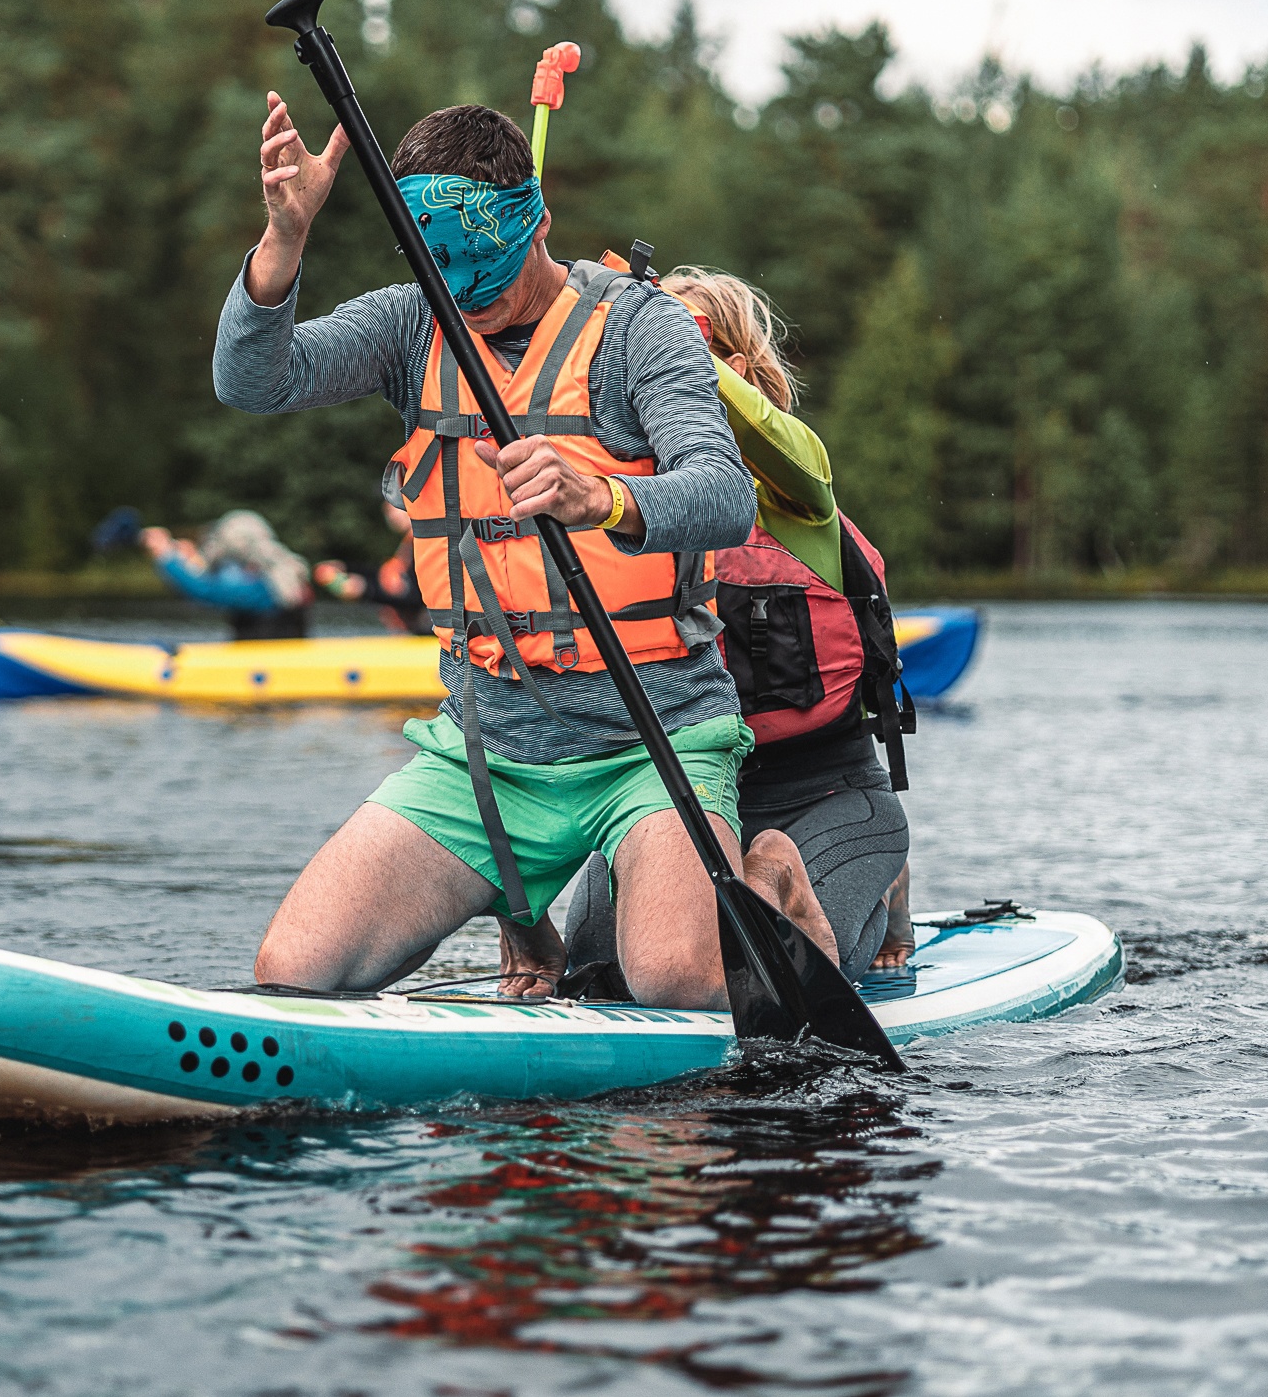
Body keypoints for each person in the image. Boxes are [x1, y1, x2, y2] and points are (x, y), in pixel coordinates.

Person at [220, 92, 831, 1008]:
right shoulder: (413, 321)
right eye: (450, 280)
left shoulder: (640, 327)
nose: (473, 300)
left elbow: (724, 495)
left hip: (651, 741)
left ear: (537, 219)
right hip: (486, 753)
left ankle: (769, 870)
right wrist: (285, 240)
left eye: (491, 276)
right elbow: (253, 381)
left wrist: (606, 495)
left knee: (672, 977)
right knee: (292, 971)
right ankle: (521, 900)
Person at [659, 266, 917, 976]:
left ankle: (886, 878)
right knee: (599, 962)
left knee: (784, 958)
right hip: (696, 797)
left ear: (731, 368)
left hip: (826, 796)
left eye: (668, 344)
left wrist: (679, 364)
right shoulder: (634, 496)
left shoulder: (800, 494)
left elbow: (787, 452)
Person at [140, 510, 316, 641]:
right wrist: (183, 557)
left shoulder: (269, 588)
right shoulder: (281, 572)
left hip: (265, 670)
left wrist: (166, 555)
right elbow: (216, 577)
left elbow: (204, 590)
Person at [312, 473, 424, 633]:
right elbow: (386, 577)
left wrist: (366, 589)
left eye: (393, 503)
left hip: (427, 640)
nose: (387, 511)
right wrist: (346, 567)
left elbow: (416, 597)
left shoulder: (424, 543)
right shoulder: (410, 542)